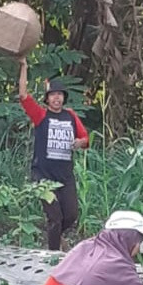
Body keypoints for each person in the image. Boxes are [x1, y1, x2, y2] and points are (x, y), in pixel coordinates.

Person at [18, 57, 89, 251]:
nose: (56, 98)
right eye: (52, 95)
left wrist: (80, 142)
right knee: (55, 217)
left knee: (71, 215)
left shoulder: (71, 115)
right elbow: (23, 95)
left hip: (65, 175)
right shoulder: (41, 116)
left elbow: (85, 139)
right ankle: (53, 256)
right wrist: (24, 66)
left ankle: (54, 238)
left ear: (64, 98)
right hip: (43, 175)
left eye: (59, 95)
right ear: (47, 99)